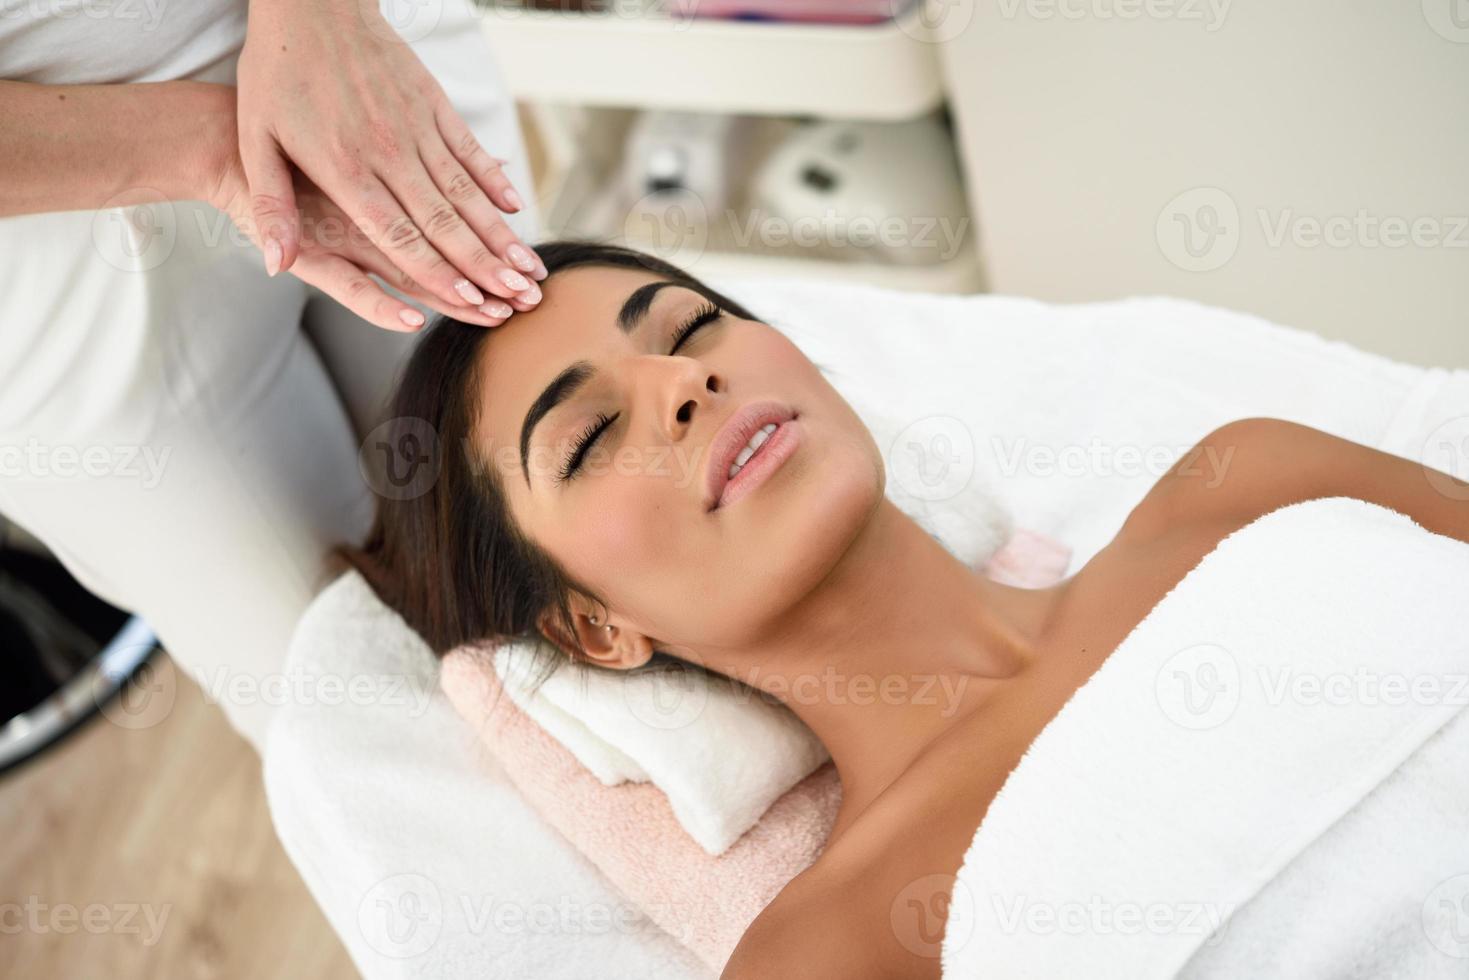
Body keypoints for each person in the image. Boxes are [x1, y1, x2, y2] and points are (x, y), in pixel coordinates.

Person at [341, 240, 1469, 978]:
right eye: (587, 437)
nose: (681, 385)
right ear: (594, 628)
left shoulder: (1249, 481)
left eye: (688, 330)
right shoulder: (831, 948)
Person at [0, 0, 541, 748]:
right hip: (55, 237)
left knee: (550, 535)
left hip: (358, 61)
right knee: (370, 726)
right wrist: (217, 149)